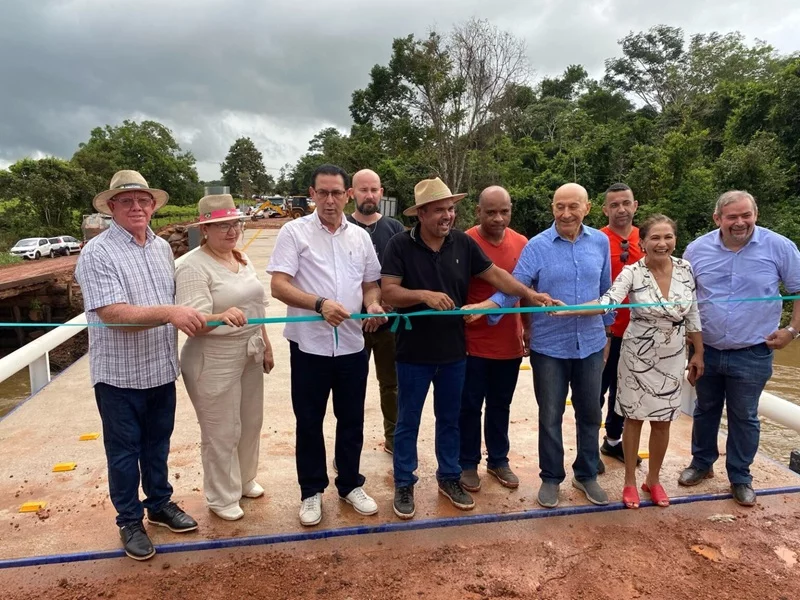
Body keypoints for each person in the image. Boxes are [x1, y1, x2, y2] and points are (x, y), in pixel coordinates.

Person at [381, 177, 553, 520]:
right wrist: (423, 295)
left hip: (454, 352)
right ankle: (404, 483)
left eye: (451, 209)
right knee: (408, 422)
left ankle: (449, 477)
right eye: (440, 210)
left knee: (450, 420)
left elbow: (497, 276)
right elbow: (389, 292)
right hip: (413, 352)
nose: (448, 216)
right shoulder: (400, 244)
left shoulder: (462, 243)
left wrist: (528, 294)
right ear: (422, 214)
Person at [75, 170, 201, 561]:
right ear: (111, 207)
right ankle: (129, 520)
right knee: (124, 452)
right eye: (126, 201)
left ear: (153, 206)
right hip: (120, 376)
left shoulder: (161, 248)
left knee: (157, 445)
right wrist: (170, 313)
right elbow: (113, 314)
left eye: (143, 200)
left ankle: (159, 504)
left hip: (160, 370)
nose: (136, 207)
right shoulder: (98, 253)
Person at [465, 183, 613, 509]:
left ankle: (586, 474)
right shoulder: (537, 246)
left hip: (590, 344)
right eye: (560, 206)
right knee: (550, 415)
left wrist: (607, 333)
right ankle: (551, 478)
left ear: (587, 208)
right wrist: (490, 305)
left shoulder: (600, 242)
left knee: (590, 413)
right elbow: (514, 287)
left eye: (573, 206)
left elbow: (607, 293)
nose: (566, 213)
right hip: (549, 349)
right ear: (552, 207)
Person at [268, 164, 387, 527]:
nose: (331, 200)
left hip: (352, 344)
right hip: (309, 347)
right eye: (323, 192)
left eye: (337, 192)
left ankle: (350, 484)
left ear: (347, 194)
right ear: (312, 194)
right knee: (309, 421)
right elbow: (279, 285)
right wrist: (319, 304)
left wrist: (373, 304)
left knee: (351, 419)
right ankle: (311, 491)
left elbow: (371, 283)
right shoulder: (294, 232)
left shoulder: (360, 238)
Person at [557, 214, 704, 509]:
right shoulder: (631, 272)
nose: (662, 244)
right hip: (637, 355)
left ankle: (654, 479)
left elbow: (693, 313)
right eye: (655, 238)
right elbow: (607, 301)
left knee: (663, 422)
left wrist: (698, 352)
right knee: (633, 418)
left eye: (668, 237)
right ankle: (629, 482)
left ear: (675, 240)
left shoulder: (686, 269)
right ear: (643, 242)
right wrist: (567, 310)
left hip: (673, 354)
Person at [678, 191, 800, 507]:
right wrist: (693, 348)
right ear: (718, 219)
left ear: (755, 215)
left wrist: (792, 331)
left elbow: (799, 291)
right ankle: (701, 464)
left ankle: (740, 477)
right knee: (705, 409)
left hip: (754, 351)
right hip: (708, 349)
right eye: (732, 216)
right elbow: (685, 299)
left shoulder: (780, 247)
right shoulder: (697, 250)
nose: (740, 222)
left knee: (744, 416)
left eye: (746, 215)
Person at [176, 194, 274, 521]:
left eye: (235, 224)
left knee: (250, 422)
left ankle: (245, 479)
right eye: (222, 225)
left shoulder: (241, 259)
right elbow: (194, 322)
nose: (231, 231)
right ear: (205, 229)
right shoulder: (191, 265)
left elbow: (255, 309)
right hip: (212, 355)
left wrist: (265, 343)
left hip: (249, 348)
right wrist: (220, 315)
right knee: (222, 430)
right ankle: (221, 495)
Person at [459, 186, 530, 493]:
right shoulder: (463, 241)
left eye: (504, 211)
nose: (498, 218)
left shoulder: (522, 243)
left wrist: (527, 328)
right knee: (469, 405)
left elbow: (525, 289)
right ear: (478, 212)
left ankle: (498, 460)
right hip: (471, 344)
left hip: (508, 343)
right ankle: (467, 463)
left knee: (501, 404)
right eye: (491, 212)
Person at [346, 169, 405, 455]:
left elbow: (405, 272)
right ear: (351, 193)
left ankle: (393, 438)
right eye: (363, 190)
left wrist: (384, 306)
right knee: (350, 389)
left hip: (388, 324)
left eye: (374, 190)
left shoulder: (394, 229)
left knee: (391, 385)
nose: (369, 195)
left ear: (381, 192)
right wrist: (365, 310)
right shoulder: (342, 227)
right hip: (349, 324)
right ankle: (349, 445)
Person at [599, 183, 644, 467]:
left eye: (626, 203)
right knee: (595, 391)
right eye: (614, 205)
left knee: (625, 391)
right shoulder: (596, 240)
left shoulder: (648, 238)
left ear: (635, 205)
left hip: (639, 332)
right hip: (605, 332)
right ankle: (586, 449)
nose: (621, 209)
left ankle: (613, 441)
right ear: (605, 210)